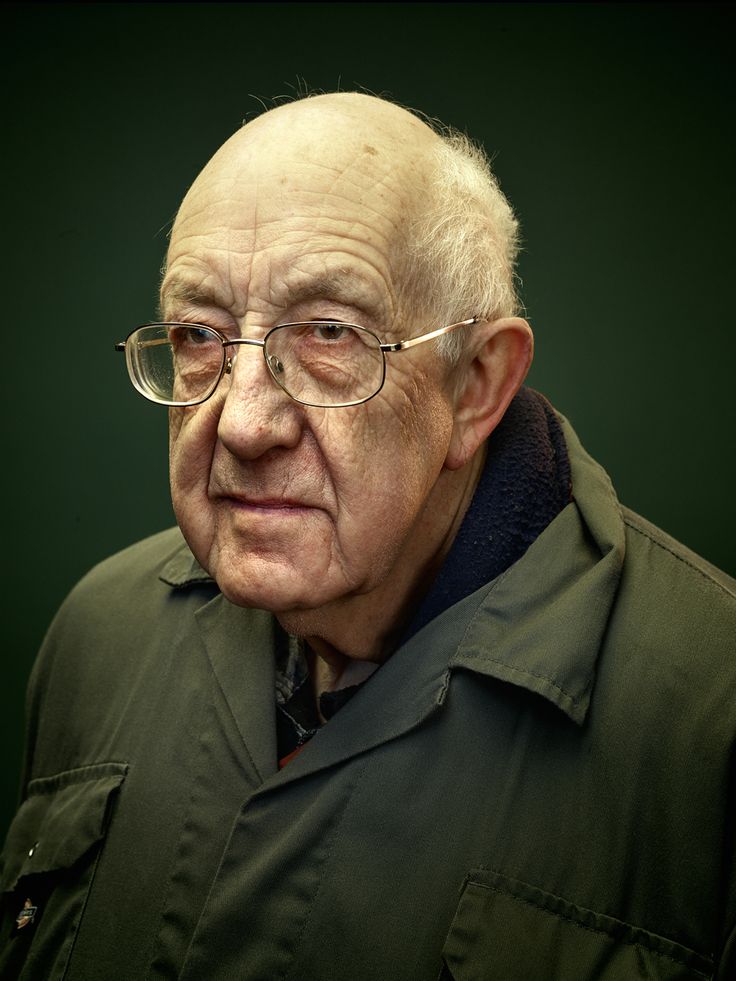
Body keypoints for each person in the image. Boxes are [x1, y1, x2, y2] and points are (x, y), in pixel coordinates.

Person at [1, 92, 733, 981]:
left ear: (475, 385)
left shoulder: (708, 724)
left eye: (329, 334)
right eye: (199, 334)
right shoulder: (98, 634)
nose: (241, 423)